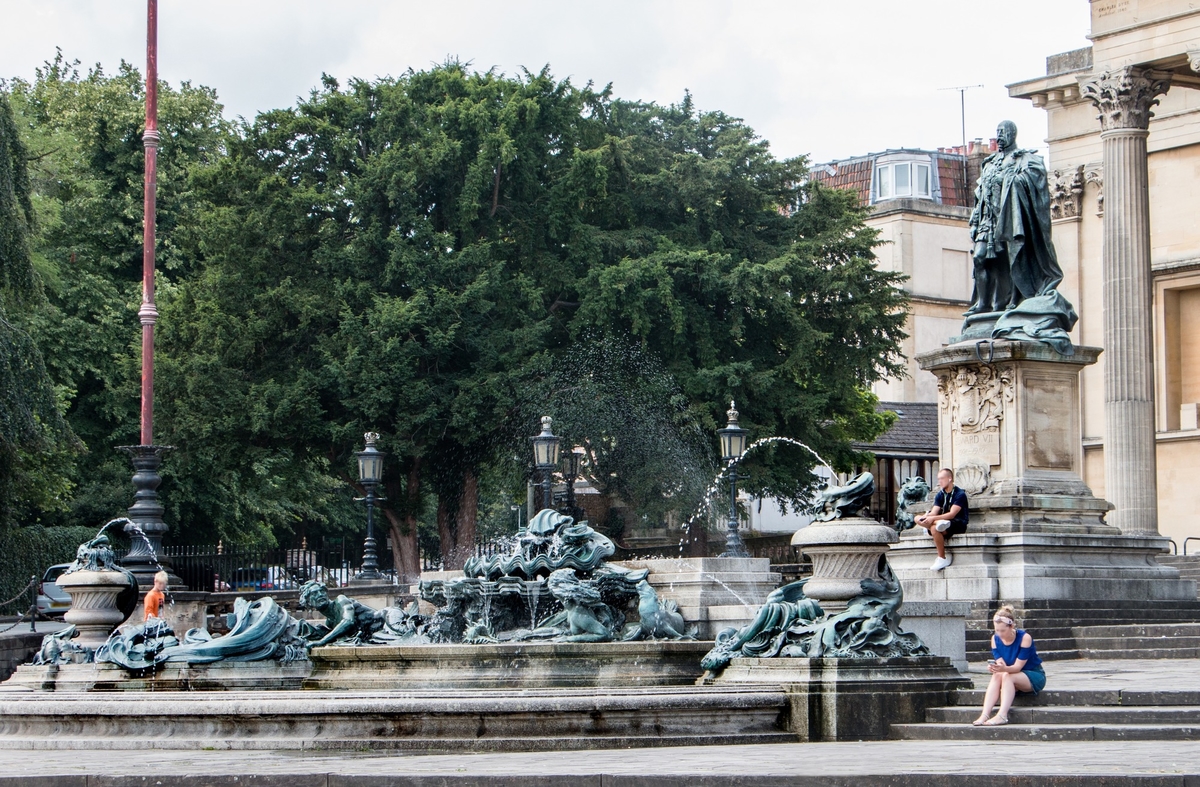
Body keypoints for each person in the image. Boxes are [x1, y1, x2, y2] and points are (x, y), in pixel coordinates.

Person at [966, 120, 1064, 316]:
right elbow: (981, 196)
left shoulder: (1024, 159)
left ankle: (1009, 300)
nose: (1000, 135)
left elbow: (1036, 183)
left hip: (1010, 219)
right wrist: (975, 221)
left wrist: (1014, 180)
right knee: (980, 258)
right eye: (998, 132)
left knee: (1009, 261)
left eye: (1004, 132)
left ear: (1013, 134)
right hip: (988, 221)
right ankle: (984, 303)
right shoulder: (989, 163)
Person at [973, 604, 1046, 726]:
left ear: (1011, 626)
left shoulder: (1024, 638)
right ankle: (984, 714)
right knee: (997, 675)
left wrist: (1003, 669)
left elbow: (1017, 667)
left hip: (1033, 674)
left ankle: (1002, 715)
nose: (1000, 634)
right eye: (997, 630)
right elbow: (1002, 664)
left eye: (1003, 630)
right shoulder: (995, 639)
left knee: (1007, 675)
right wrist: (995, 667)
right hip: (1011, 673)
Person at [915, 468, 968, 571]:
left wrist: (932, 519)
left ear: (949, 479)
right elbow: (934, 511)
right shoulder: (940, 494)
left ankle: (942, 558)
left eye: (942, 478)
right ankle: (936, 524)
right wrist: (927, 517)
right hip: (942, 522)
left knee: (934, 529)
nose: (939, 481)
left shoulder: (959, 494)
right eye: (938, 479)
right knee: (917, 518)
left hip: (957, 523)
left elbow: (952, 514)